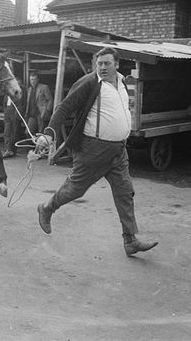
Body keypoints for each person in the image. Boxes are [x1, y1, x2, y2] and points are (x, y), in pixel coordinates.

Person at [34, 47, 158, 256]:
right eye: (99, 63)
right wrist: (49, 134)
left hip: (118, 150)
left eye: (106, 63)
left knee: (125, 191)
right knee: (75, 189)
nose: (102, 67)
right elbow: (64, 108)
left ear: (116, 64)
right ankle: (47, 208)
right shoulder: (89, 82)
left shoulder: (122, 83)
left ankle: (130, 240)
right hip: (94, 149)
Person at [2, 77, 26, 159]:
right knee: (7, 132)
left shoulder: (21, 92)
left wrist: (17, 115)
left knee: (15, 133)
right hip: (8, 113)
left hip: (15, 114)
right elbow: (4, 103)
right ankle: (7, 150)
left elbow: (22, 104)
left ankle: (12, 150)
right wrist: (5, 112)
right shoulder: (8, 91)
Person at [25, 71, 53, 137]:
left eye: (34, 79)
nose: (33, 81)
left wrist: (47, 111)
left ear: (38, 80)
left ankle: (40, 146)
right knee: (28, 132)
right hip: (32, 114)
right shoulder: (29, 89)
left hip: (41, 114)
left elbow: (50, 100)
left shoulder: (44, 87)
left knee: (41, 133)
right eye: (31, 79)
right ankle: (34, 145)